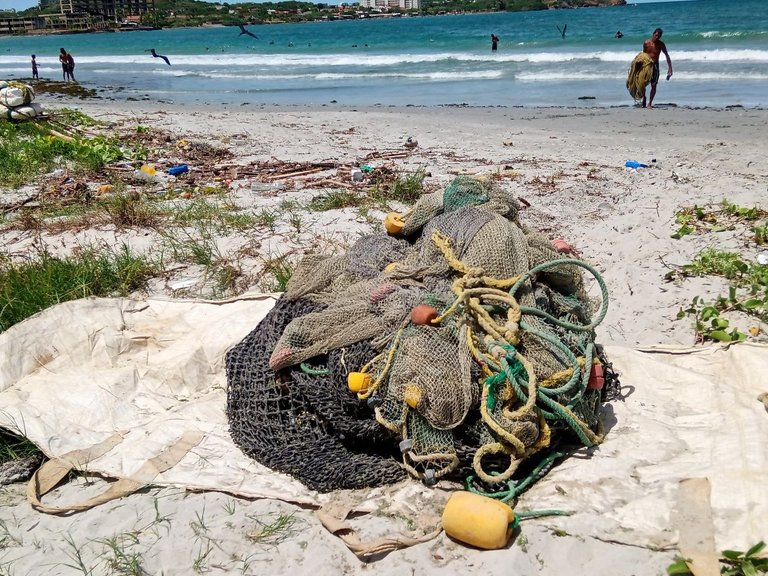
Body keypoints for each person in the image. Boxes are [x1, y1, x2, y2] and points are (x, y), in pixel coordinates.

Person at [642, 27, 672, 108]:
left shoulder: (661, 44)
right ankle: (644, 97)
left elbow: (667, 56)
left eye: (659, 36)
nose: (657, 37)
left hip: (655, 66)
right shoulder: (646, 43)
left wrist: (670, 68)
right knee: (642, 84)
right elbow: (643, 55)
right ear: (653, 34)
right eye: (656, 35)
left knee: (654, 85)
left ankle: (649, 103)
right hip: (646, 65)